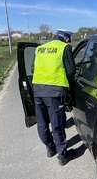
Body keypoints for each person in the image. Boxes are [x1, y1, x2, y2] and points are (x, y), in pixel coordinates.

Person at [32, 29, 76, 166]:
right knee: (57, 124)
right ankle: (63, 156)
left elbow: (33, 69)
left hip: (38, 91)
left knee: (42, 123)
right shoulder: (64, 48)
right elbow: (71, 71)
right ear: (66, 38)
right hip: (55, 92)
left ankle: (50, 149)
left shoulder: (40, 48)